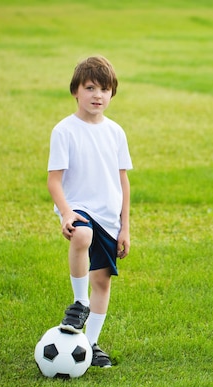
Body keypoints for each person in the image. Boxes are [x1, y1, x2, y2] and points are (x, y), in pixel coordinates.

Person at [47, 56, 132, 368]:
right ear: (76, 91)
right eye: (91, 88)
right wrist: (67, 213)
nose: (98, 95)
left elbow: (123, 181)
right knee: (82, 234)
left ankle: (92, 344)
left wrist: (125, 227)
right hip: (79, 206)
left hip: (110, 215)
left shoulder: (116, 132)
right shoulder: (64, 131)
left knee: (103, 281)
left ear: (112, 94)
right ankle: (79, 302)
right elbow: (54, 180)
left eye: (105, 89)